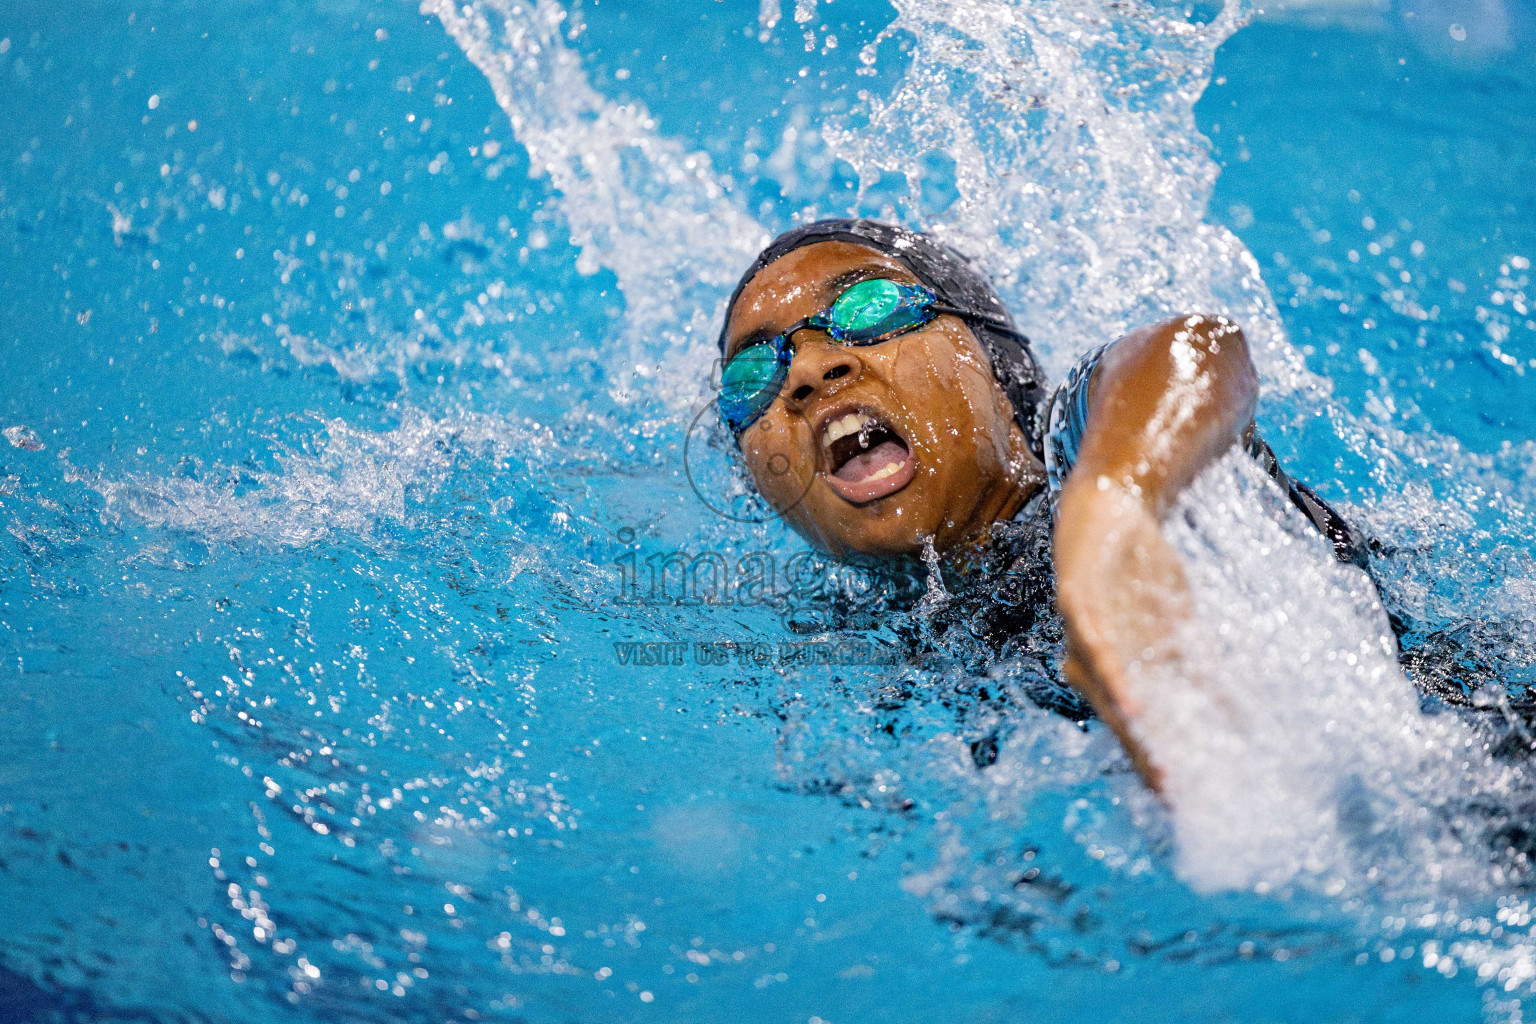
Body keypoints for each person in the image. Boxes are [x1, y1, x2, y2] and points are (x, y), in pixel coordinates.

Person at [713, 219, 1375, 788]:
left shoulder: (1087, 457)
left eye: (871, 307)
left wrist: (1115, 517)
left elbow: (1194, 354)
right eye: (751, 376)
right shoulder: (845, 658)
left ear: (998, 374)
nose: (806, 371)